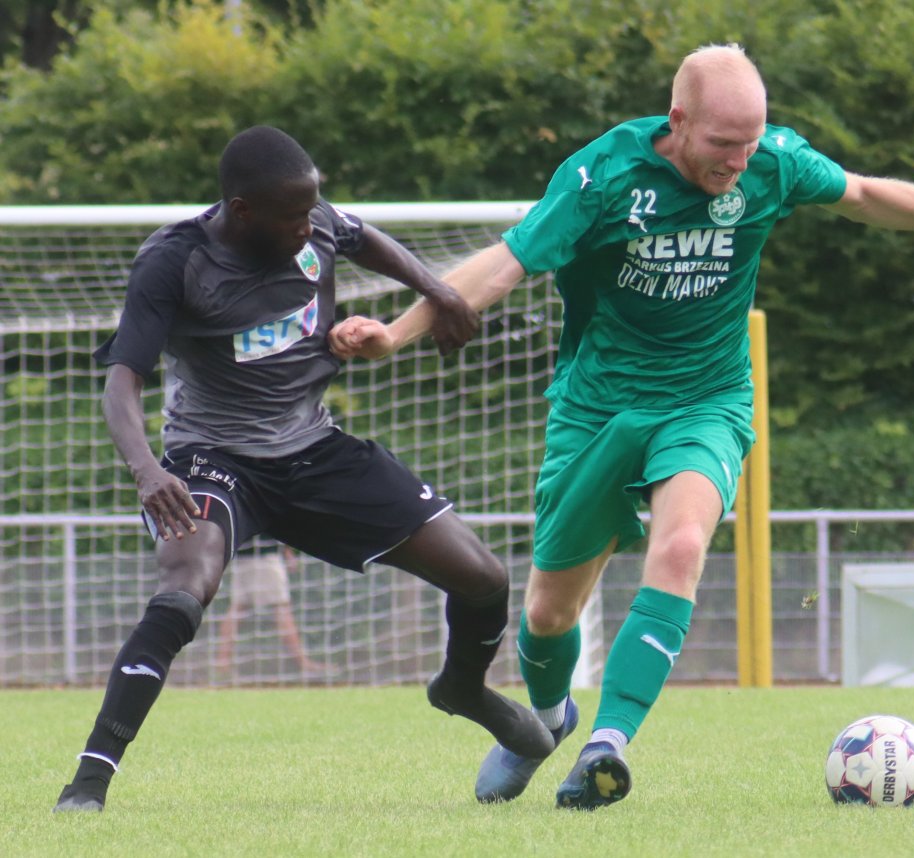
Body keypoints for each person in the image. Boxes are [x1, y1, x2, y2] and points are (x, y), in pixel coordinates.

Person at [329, 44, 914, 811]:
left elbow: (863, 193)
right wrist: (397, 333)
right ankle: (544, 719)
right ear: (678, 122)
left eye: (752, 142)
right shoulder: (602, 176)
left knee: (682, 544)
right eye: (722, 144)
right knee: (546, 615)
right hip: (597, 408)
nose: (739, 161)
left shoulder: (773, 162)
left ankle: (609, 742)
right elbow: (502, 266)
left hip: (708, 401)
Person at [52, 125, 553, 813]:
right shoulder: (174, 262)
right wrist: (147, 471)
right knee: (182, 591)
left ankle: (463, 688)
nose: (307, 224)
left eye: (311, 210)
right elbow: (121, 383)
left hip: (314, 449)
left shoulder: (311, 222)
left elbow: (365, 237)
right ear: (242, 210)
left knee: (483, 575)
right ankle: (89, 781)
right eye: (292, 216)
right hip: (214, 458)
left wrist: (439, 291)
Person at [215, 540, 330, 677]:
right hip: (265, 556)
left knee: (237, 609)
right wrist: (288, 551)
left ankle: (222, 664)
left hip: (242, 556)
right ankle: (303, 663)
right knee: (282, 608)